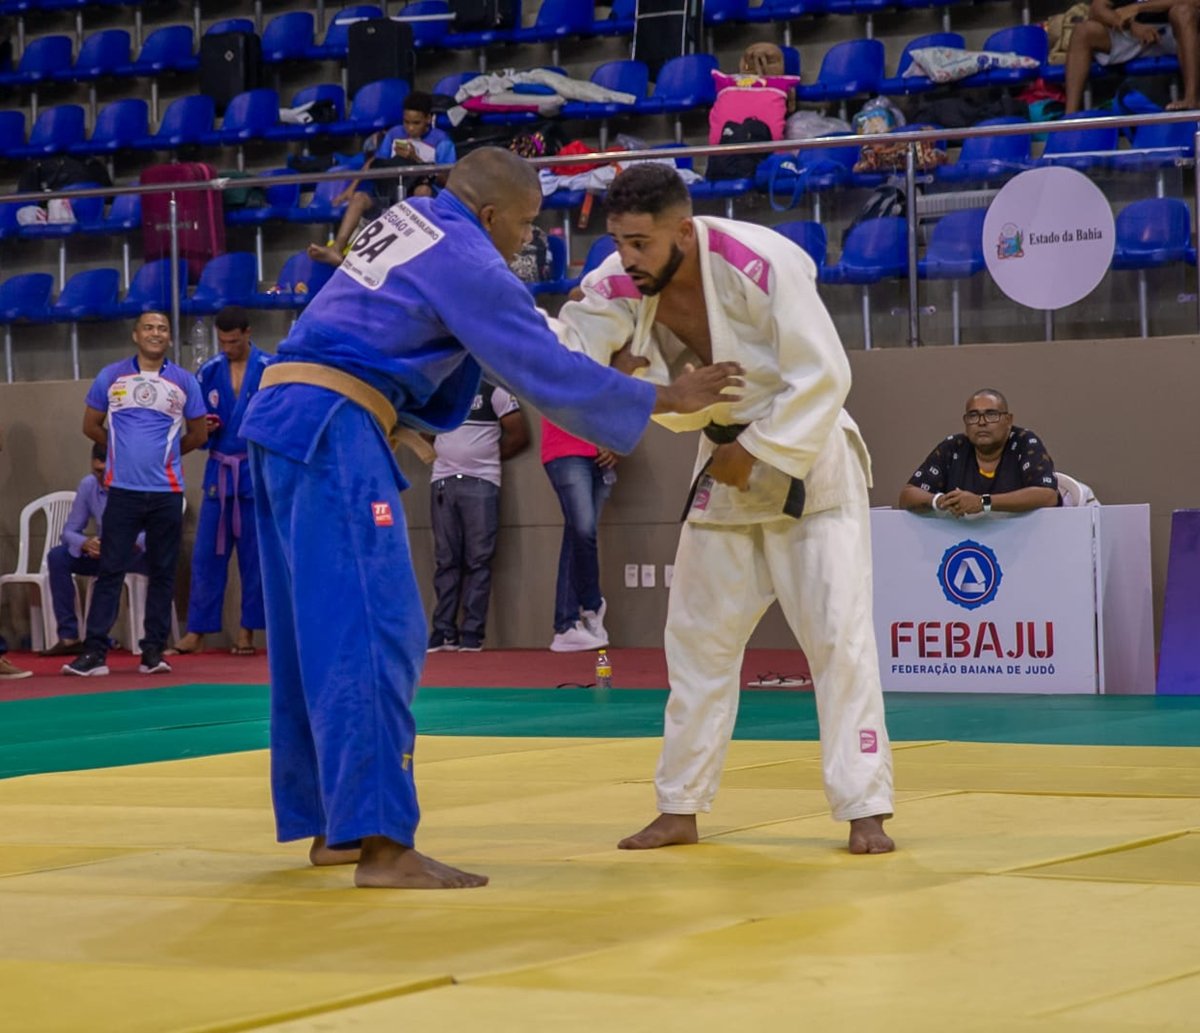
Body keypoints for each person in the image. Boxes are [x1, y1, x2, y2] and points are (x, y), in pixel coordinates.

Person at [240, 147, 742, 890]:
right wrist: (664, 398)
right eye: (524, 227)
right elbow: (535, 362)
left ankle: (335, 823)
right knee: (378, 628)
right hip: (331, 427)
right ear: (489, 215)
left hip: (282, 421)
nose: (525, 243)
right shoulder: (467, 256)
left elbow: (497, 340)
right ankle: (381, 843)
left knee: (316, 634)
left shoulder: (407, 220)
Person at [553, 163, 895, 856]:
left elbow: (826, 371)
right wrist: (610, 379)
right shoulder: (617, 283)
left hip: (807, 455)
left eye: (642, 243)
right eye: (619, 241)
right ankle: (679, 805)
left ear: (683, 228)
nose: (629, 258)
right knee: (698, 639)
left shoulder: (757, 261)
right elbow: (567, 355)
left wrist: (763, 450)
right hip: (722, 459)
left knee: (838, 635)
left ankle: (865, 806)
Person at [63, 311, 207, 677]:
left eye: (162, 329)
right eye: (149, 327)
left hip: (166, 493)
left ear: (170, 339)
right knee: (110, 571)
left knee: (161, 573)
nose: (156, 333)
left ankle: (152, 653)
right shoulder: (111, 376)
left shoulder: (185, 381)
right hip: (122, 493)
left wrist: (168, 457)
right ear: (135, 334)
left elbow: (199, 433)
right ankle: (95, 653)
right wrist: (120, 451)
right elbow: (90, 425)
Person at [171, 306, 269, 657]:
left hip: (256, 473)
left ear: (247, 332)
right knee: (206, 557)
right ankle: (196, 631)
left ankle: (247, 632)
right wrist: (206, 430)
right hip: (219, 474)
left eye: (233, 340)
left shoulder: (270, 370)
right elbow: (194, 427)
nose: (227, 347)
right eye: (222, 341)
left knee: (255, 560)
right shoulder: (208, 372)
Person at [427, 380, 529, 653]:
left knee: (478, 559)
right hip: (443, 481)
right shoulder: (441, 389)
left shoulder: (495, 389)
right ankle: (444, 632)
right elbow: (424, 428)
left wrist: (484, 460)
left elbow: (519, 435)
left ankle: (472, 634)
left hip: (482, 482)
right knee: (446, 559)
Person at [308, 91, 457, 267]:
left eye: (416, 123)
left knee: (422, 191)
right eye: (406, 122)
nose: (410, 128)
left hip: (420, 197)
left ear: (428, 119)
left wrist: (416, 160)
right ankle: (337, 249)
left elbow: (447, 181)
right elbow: (374, 162)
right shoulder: (394, 134)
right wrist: (350, 190)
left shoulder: (442, 141)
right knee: (359, 198)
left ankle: (419, 251)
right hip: (390, 194)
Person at [40, 443, 149, 656]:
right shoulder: (89, 485)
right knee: (58, 556)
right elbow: (69, 530)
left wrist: (122, 543)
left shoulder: (139, 485)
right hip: (103, 550)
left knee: (115, 560)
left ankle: (97, 637)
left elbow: (154, 532)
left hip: (136, 554)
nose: (101, 477)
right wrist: (84, 543)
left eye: (106, 471)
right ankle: (69, 636)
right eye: (97, 471)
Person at [897, 388, 1060, 517]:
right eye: (973, 416)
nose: (981, 423)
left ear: (1008, 421)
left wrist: (983, 503)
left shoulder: (1024, 442)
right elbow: (907, 496)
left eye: (991, 415)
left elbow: (1047, 495)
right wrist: (939, 501)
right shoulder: (953, 447)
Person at [542, 419, 616, 652]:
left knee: (577, 532)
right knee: (583, 530)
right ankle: (591, 604)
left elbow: (615, 402)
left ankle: (568, 624)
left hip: (601, 457)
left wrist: (615, 443)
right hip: (565, 451)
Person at [1065, 0, 1200, 113]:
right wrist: (1129, 25)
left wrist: (1139, 7)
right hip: (1133, 33)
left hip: (1176, 31)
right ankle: (1069, 118)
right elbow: (1097, 9)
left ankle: (1191, 99)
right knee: (1083, 31)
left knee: (1184, 12)